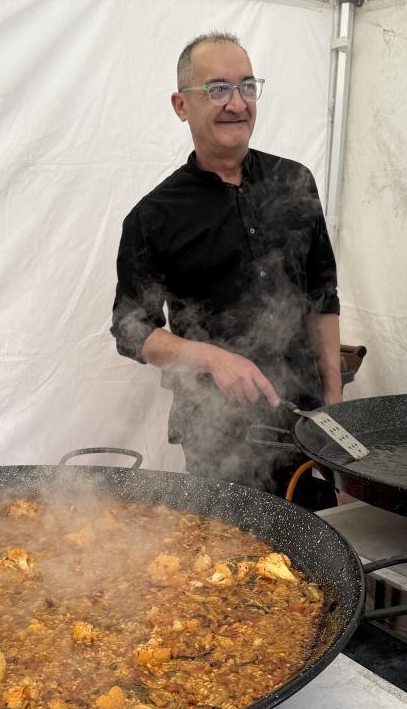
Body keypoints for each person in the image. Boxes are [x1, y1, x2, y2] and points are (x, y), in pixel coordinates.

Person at [111, 32, 341, 507]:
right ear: (181, 105)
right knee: (233, 551)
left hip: (306, 425)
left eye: (247, 86)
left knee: (322, 542)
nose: (237, 104)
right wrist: (213, 358)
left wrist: (336, 402)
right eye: (217, 89)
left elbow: (323, 296)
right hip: (217, 438)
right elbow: (131, 331)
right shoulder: (154, 216)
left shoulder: (295, 181)